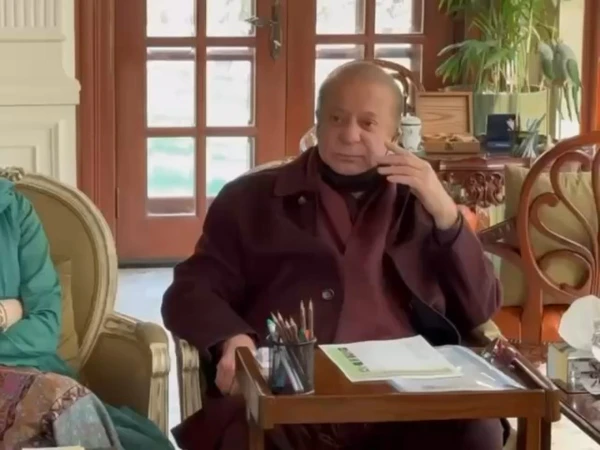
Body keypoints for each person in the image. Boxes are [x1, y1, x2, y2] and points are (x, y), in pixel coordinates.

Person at [163, 61, 505, 450]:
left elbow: (480, 308)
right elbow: (191, 288)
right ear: (317, 123)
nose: (349, 135)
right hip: (291, 400)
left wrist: (446, 213)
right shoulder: (251, 200)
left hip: (405, 402)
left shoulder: (421, 205)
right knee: (246, 433)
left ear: (395, 134)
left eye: (368, 123)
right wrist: (231, 337)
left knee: (478, 430)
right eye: (336, 118)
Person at [0, 177, 173, 449]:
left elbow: (46, 324)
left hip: (37, 372)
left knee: (140, 442)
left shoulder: (15, 211)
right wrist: (11, 312)